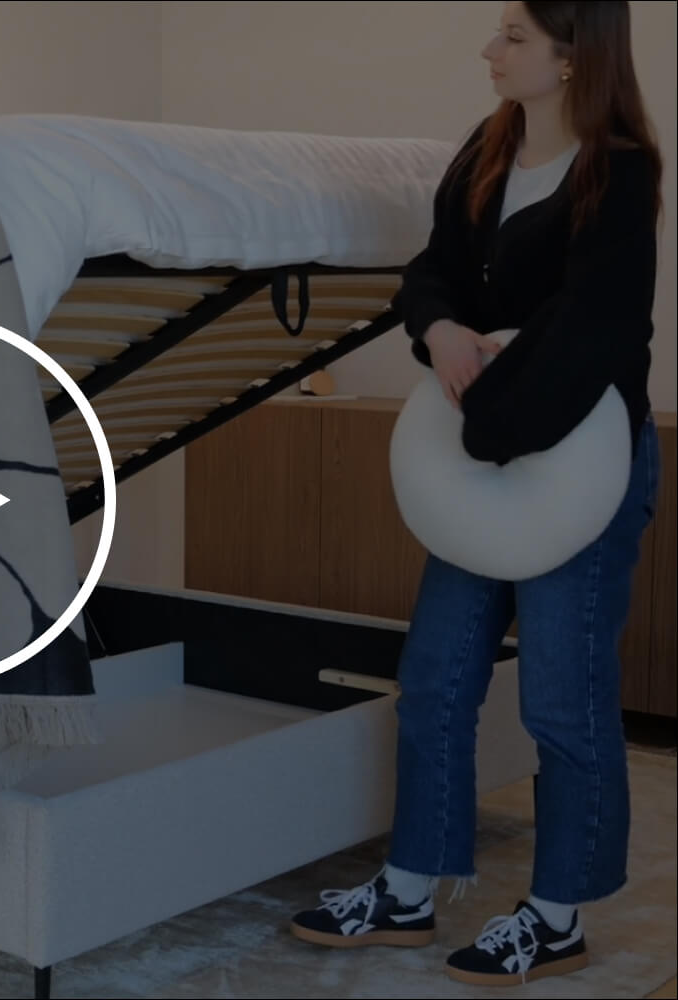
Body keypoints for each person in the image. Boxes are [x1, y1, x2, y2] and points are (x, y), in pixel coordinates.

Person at [289, 0, 663, 987]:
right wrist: (441, 332)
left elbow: (593, 334)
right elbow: (431, 272)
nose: (489, 50)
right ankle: (409, 889)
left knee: (562, 701)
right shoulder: (487, 149)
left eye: (515, 36)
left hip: (578, 465)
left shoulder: (620, 172)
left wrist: (482, 428)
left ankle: (557, 916)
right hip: (484, 458)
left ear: (574, 56)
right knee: (435, 682)